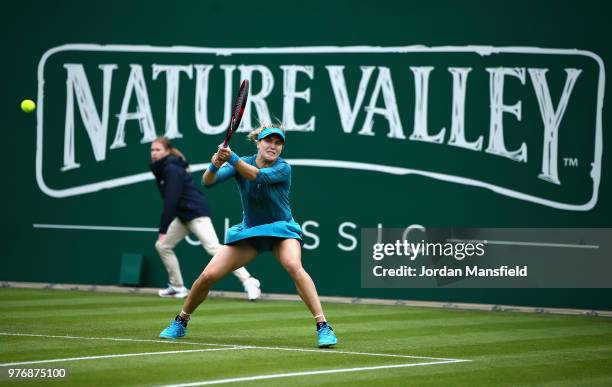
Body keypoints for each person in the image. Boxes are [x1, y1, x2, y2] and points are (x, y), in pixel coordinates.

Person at [158, 125, 338, 348]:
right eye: (268, 141)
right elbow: (208, 181)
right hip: (251, 232)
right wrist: (214, 164)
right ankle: (180, 322)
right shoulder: (242, 161)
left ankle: (323, 326)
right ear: (258, 143)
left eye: (278, 143)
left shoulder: (284, 168)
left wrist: (231, 157)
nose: (273, 146)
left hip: (281, 230)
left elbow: (255, 175)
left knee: (293, 265)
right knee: (207, 276)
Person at [149, 137, 261, 300]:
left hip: (196, 213)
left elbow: (171, 201)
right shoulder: (163, 168)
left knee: (214, 248)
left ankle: (249, 281)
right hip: (183, 216)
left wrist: (163, 229)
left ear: (167, 151)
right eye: (152, 150)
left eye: (158, 149)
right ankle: (178, 286)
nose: (154, 153)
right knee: (162, 245)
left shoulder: (171, 168)